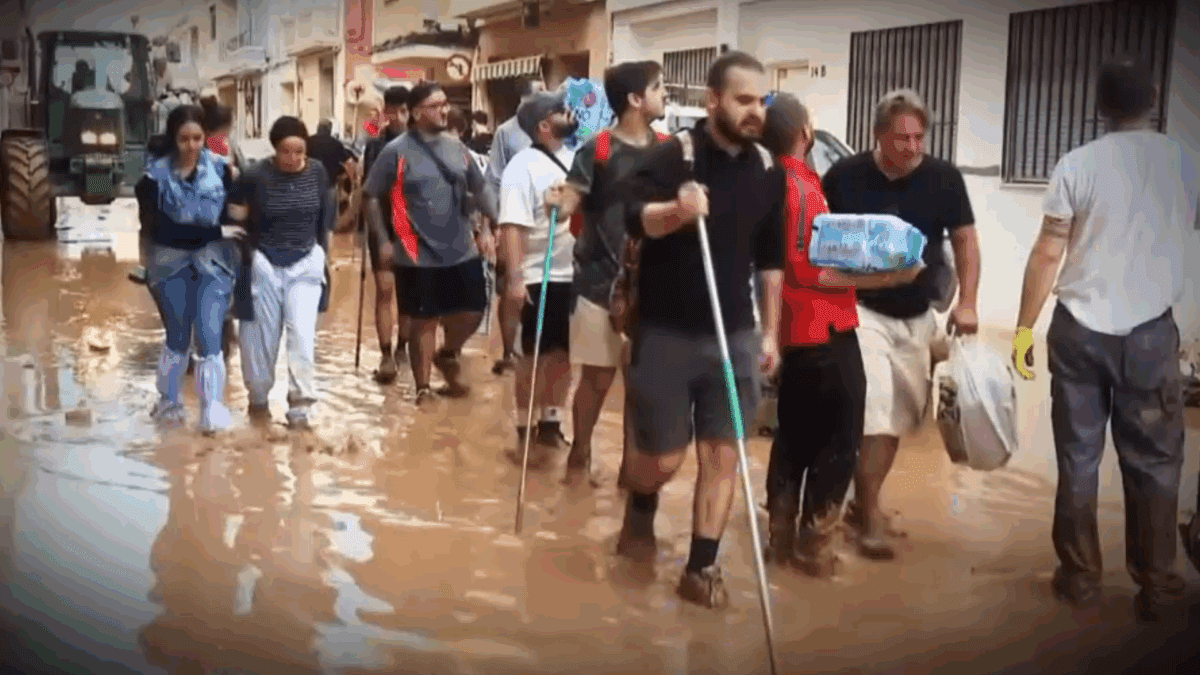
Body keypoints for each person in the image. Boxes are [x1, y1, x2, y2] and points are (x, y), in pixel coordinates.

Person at [1010, 55, 1195, 623]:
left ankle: (1080, 580)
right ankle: (1159, 588)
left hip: (1078, 332)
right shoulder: (1183, 162)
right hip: (1150, 336)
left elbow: (1048, 252)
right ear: (1155, 97)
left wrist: (1023, 328)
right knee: (1155, 464)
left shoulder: (1077, 164)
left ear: (1099, 105)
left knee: (1078, 458)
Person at [614, 51, 784, 609]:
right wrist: (676, 211)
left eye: (762, 100)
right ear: (713, 101)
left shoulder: (769, 169)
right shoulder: (674, 156)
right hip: (665, 332)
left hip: (734, 333)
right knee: (663, 459)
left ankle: (701, 567)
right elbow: (633, 218)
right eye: (743, 99)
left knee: (723, 452)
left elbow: (772, 261)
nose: (755, 111)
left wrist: (770, 334)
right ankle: (641, 502)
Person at [758, 93, 919, 576]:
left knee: (792, 438)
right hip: (824, 330)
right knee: (838, 441)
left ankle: (779, 542)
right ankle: (815, 549)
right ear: (804, 133)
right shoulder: (800, 187)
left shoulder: (770, 184)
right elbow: (810, 271)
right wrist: (888, 278)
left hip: (791, 335)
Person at [821, 88, 981, 561]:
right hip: (860, 309)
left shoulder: (944, 179)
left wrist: (968, 303)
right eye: (902, 138)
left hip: (917, 313)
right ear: (878, 136)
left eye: (919, 137)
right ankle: (869, 513)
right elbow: (817, 239)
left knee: (900, 419)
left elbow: (966, 242)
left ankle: (859, 502)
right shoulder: (845, 177)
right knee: (875, 409)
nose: (913, 147)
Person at [543, 60, 668, 486]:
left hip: (652, 289)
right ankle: (579, 454)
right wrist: (555, 203)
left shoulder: (668, 150)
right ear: (635, 99)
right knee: (597, 380)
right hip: (599, 283)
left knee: (641, 387)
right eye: (658, 87)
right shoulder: (596, 150)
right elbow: (569, 204)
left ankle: (630, 473)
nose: (665, 95)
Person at [363, 82, 498, 405]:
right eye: (435, 106)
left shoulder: (458, 148)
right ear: (416, 112)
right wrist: (382, 239)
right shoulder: (395, 151)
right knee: (424, 320)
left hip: (461, 247)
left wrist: (494, 225)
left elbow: (481, 188)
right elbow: (370, 195)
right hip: (415, 251)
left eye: (445, 104)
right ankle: (423, 389)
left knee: (474, 310)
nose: (444, 110)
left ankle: (448, 352)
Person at [134, 104, 241, 434]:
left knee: (210, 333)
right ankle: (169, 403)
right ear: (173, 138)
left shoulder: (223, 170)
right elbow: (158, 230)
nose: (192, 146)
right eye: (184, 139)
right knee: (178, 335)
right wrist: (215, 231)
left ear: (205, 136)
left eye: (197, 138)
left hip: (214, 263)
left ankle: (212, 410)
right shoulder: (152, 179)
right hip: (169, 264)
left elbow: (236, 215)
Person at [229, 116, 335, 431]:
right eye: (286, 152)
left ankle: (300, 410)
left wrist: (325, 262)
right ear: (275, 150)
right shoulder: (254, 176)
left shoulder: (318, 172)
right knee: (259, 340)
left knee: (302, 337)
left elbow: (325, 223)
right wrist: (243, 264)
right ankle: (258, 403)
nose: (293, 158)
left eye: (299, 151)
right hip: (263, 263)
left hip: (305, 262)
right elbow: (236, 223)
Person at [497, 91, 579, 466]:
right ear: (545, 125)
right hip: (538, 272)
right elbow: (512, 226)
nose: (570, 113)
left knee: (563, 353)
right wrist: (516, 279)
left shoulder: (577, 159)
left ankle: (552, 422)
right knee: (533, 354)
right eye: (562, 111)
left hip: (573, 272)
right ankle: (524, 425)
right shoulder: (521, 167)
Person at [488, 75, 546, 375]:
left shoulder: (557, 133)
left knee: (544, 287)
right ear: (524, 100)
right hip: (514, 222)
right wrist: (494, 225)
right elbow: (494, 180)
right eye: (540, 93)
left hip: (548, 224)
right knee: (512, 288)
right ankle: (509, 350)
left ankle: (536, 351)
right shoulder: (506, 133)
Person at [361, 86, 411, 384]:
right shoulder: (375, 146)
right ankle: (386, 354)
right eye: (397, 111)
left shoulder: (421, 144)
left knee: (408, 294)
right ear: (388, 112)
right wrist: (380, 237)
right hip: (383, 225)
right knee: (384, 290)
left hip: (413, 230)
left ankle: (403, 347)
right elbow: (369, 192)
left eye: (406, 111)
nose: (401, 117)